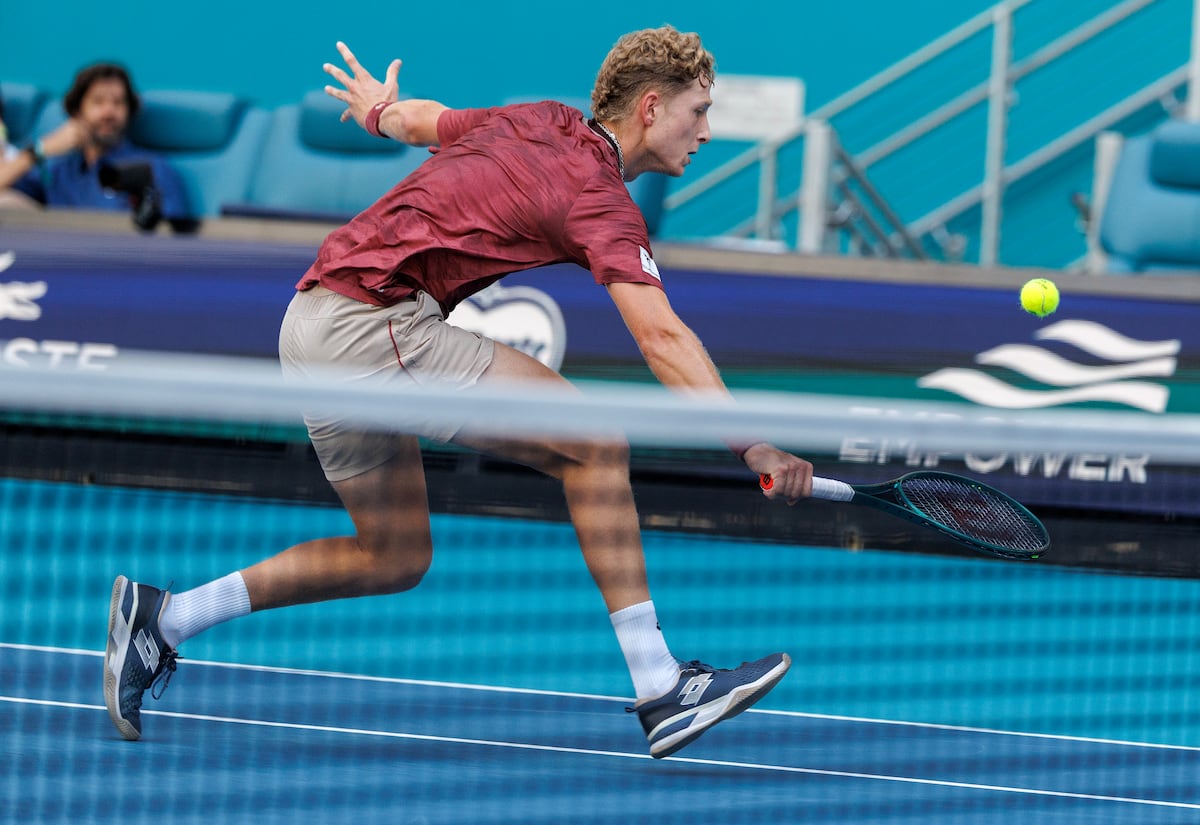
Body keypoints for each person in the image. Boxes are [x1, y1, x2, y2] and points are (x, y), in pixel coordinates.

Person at [104, 27, 814, 759]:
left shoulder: (538, 118)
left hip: (312, 320)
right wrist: (752, 443)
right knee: (596, 444)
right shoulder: (599, 198)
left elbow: (423, 122)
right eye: (699, 111)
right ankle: (660, 683)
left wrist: (379, 112)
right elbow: (661, 337)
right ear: (652, 107)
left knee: (393, 553)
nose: (706, 130)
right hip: (373, 325)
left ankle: (166, 620)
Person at [0, 62, 191, 228]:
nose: (109, 112)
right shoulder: (60, 170)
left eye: (118, 103)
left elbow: (168, 238)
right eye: (98, 102)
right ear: (77, 111)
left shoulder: (151, 168)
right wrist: (40, 150)